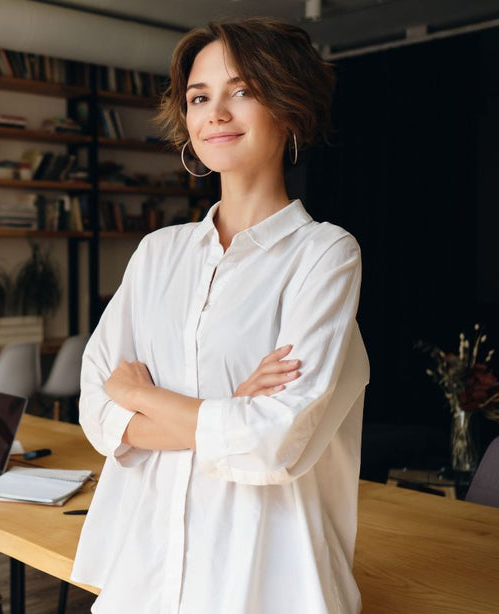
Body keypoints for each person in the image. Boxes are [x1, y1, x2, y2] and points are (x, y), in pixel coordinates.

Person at [71, 18, 370, 614]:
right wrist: (231, 408)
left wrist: (143, 394)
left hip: (266, 575)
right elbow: (96, 410)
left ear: (289, 108)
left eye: (242, 91)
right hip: (148, 572)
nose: (216, 113)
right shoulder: (159, 253)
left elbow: (275, 443)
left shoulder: (326, 255)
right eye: (200, 98)